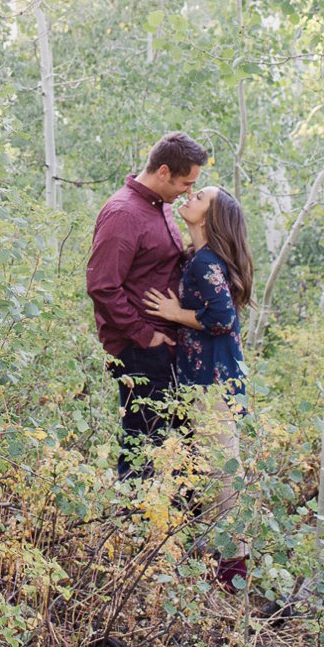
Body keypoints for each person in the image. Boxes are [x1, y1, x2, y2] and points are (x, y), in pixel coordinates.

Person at [142, 185, 256, 593]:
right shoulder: (197, 259)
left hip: (214, 384)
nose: (188, 198)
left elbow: (222, 317)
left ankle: (234, 583)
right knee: (207, 475)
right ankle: (209, 576)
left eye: (199, 197)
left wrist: (177, 312)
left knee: (225, 480)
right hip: (204, 382)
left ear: (210, 217)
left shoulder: (206, 261)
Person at [85, 132, 209, 479]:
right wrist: (146, 336)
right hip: (140, 349)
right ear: (165, 172)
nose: (188, 191)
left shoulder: (161, 208)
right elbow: (102, 286)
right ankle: (131, 529)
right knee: (141, 447)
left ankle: (175, 526)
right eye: (186, 182)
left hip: (168, 347)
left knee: (181, 444)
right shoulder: (123, 213)